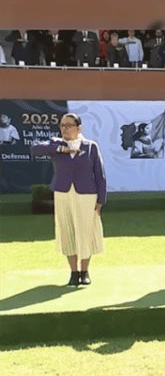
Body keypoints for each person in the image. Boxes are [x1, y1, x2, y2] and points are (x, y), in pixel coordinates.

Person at [30, 113, 106, 286]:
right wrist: (61, 149)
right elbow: (35, 149)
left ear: (79, 128)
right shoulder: (56, 144)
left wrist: (101, 199)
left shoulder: (91, 146)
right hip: (63, 193)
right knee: (67, 230)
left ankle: (84, 271)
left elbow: (100, 175)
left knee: (85, 231)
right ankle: (73, 272)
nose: (64, 128)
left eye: (69, 125)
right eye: (62, 125)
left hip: (87, 193)